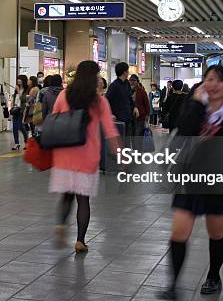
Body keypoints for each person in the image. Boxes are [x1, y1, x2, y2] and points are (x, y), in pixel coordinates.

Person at [162, 65, 223, 299]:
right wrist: (196, 105)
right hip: (190, 176)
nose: (213, 84)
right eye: (209, 79)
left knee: (216, 233)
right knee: (179, 232)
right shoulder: (193, 105)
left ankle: (214, 276)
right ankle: (173, 285)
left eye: (218, 80)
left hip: (218, 178)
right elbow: (183, 130)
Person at [50, 61, 120, 252]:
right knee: (83, 200)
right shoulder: (99, 102)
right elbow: (110, 131)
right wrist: (120, 155)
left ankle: (61, 226)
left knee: (66, 196)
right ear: (93, 77)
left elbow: (54, 117)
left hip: (64, 155)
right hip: (86, 157)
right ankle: (80, 241)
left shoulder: (64, 95)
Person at [105, 62, 138, 144]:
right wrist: (110, 114)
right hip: (118, 119)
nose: (128, 73)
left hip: (128, 117)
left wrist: (135, 107)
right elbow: (106, 101)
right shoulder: (114, 86)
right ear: (124, 72)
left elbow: (130, 98)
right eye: (127, 71)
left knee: (127, 141)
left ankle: (126, 155)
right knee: (119, 142)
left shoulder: (127, 83)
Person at [129, 74, 150, 145]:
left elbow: (147, 104)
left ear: (137, 82)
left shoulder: (142, 92)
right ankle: (135, 150)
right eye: (130, 80)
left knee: (138, 135)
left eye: (133, 80)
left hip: (141, 117)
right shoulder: (127, 91)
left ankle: (138, 152)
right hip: (130, 117)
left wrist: (147, 115)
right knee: (132, 135)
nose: (131, 82)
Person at [11, 75, 29, 150]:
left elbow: (24, 99)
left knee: (20, 126)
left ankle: (26, 141)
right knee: (14, 127)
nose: (18, 80)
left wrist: (18, 91)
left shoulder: (26, 89)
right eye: (17, 79)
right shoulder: (16, 89)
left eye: (20, 79)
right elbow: (15, 99)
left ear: (23, 80)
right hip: (15, 109)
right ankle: (16, 143)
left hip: (22, 109)